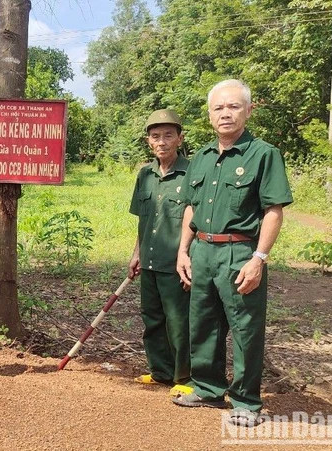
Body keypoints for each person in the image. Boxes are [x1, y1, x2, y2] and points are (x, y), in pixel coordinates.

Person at [172, 79, 293, 427]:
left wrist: (259, 259)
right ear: (210, 115)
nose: (225, 113)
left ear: (249, 110)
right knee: (204, 324)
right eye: (218, 108)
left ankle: (246, 402)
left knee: (245, 328)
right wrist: (183, 250)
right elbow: (192, 209)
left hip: (240, 252)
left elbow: (274, 210)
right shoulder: (202, 158)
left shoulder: (263, 154)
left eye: (233, 106)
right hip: (203, 251)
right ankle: (208, 389)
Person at [128, 109, 192, 397]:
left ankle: (184, 377)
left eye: (168, 135)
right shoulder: (145, 175)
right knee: (152, 318)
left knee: (178, 322)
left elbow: (196, 219)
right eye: (156, 136)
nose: (162, 141)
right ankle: (160, 372)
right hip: (150, 261)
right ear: (148, 141)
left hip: (176, 263)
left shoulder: (192, 173)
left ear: (180, 138)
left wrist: (185, 254)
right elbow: (143, 218)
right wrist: (136, 253)